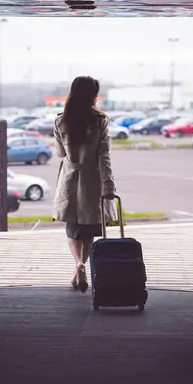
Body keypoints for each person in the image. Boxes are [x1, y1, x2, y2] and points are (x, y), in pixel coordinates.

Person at [53, 76, 117, 293]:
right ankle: (81, 265)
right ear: (93, 96)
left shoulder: (60, 121)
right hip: (92, 179)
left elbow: (61, 153)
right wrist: (108, 186)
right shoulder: (100, 121)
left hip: (70, 177)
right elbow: (104, 156)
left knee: (72, 227)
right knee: (88, 228)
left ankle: (78, 265)